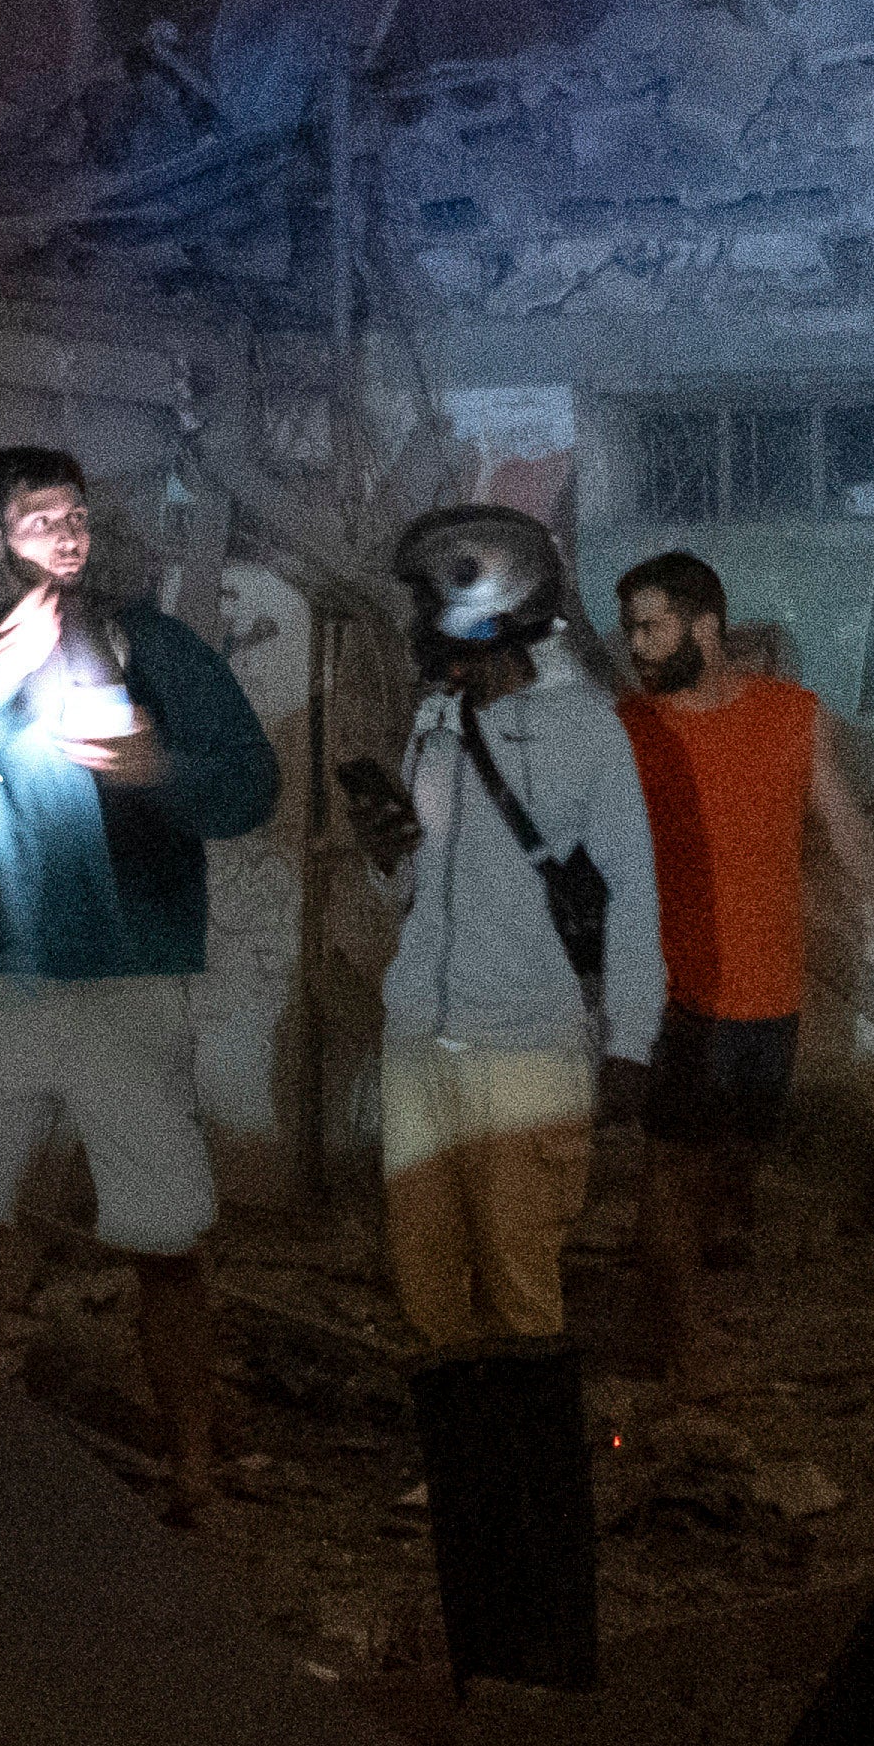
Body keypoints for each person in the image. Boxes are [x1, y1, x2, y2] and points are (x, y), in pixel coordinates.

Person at [0, 447, 283, 1524]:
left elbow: (249, 787)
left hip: (130, 988)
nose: (67, 533)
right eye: (40, 518)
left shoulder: (155, 649)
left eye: (78, 515)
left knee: (162, 1236)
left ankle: (193, 1470)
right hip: (4, 986)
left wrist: (160, 767)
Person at [613, 549, 874, 1391]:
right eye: (631, 629)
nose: (636, 645)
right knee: (674, 1168)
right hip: (676, 993)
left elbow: (845, 829)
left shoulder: (789, 715)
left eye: (650, 627)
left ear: (705, 626)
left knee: (728, 1165)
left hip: (770, 992)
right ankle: (686, 1350)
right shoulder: (630, 731)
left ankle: (679, 1311)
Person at [364, 506, 665, 1353]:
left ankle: (527, 1477)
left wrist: (632, 1045)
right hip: (420, 1040)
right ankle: (463, 1476)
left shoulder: (587, 729)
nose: (417, 625)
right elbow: (416, 888)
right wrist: (385, 858)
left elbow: (637, 894)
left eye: (428, 604)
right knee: (426, 1281)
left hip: (529, 1047)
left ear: (489, 601)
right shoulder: (433, 723)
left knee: (520, 1282)